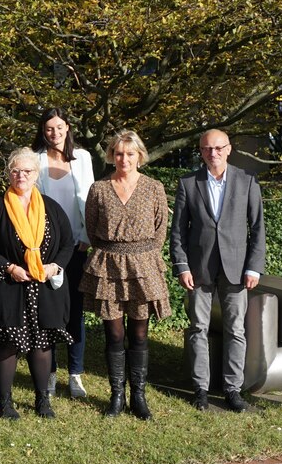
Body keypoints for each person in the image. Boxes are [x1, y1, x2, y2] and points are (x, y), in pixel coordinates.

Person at [170, 129, 265, 413]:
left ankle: (232, 389)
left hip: (237, 270)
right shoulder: (188, 183)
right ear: (201, 151)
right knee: (198, 328)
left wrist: (254, 267)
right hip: (199, 269)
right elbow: (178, 231)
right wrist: (182, 265)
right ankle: (200, 388)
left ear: (229, 149)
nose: (213, 153)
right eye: (207, 149)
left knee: (235, 329)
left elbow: (258, 227)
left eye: (218, 148)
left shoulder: (247, 181)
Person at [79, 130, 171, 421]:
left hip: (143, 267)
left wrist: (142, 255)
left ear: (139, 156)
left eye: (130, 153)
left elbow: (160, 231)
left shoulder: (154, 188)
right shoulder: (99, 189)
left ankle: (138, 396)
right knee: (114, 333)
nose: (124, 159)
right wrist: (114, 250)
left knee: (140, 334)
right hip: (109, 265)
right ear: (111, 156)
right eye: (119, 153)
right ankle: (117, 395)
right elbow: (92, 229)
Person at [0, 148, 74, 420]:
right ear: (9, 174)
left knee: (42, 343)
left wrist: (55, 265)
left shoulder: (51, 208)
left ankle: (42, 400)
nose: (21, 176)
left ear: (36, 175)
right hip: (8, 284)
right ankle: (4, 402)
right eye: (16, 171)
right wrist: (8, 267)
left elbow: (67, 243)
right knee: (9, 341)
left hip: (43, 285)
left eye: (27, 171)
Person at [31, 107, 95, 398]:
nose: (54, 133)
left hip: (78, 245)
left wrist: (85, 236)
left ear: (68, 128)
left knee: (75, 313)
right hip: (47, 248)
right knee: (50, 311)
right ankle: (51, 371)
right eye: (48, 129)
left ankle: (75, 373)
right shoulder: (36, 161)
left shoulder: (82, 158)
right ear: (42, 131)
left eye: (59, 128)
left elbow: (90, 199)